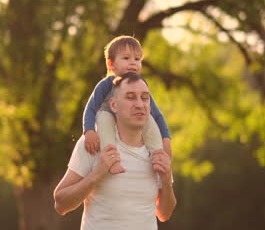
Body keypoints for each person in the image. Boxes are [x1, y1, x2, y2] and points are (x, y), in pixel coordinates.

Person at [54, 72, 176, 229]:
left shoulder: (157, 150)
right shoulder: (94, 144)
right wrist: (97, 175)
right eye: (130, 97)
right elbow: (60, 203)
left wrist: (166, 182)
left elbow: (164, 214)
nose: (139, 104)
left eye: (144, 98)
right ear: (113, 105)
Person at [83, 35, 171, 174]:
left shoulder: (140, 86)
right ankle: (112, 160)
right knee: (104, 118)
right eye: (126, 58)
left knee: (149, 118)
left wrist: (166, 138)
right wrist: (89, 131)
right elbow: (91, 108)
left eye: (137, 59)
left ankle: (158, 157)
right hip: (109, 117)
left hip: (131, 121)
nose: (133, 63)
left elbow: (157, 114)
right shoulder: (106, 84)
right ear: (111, 64)